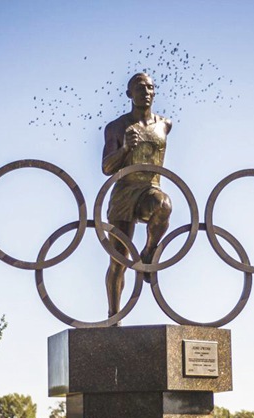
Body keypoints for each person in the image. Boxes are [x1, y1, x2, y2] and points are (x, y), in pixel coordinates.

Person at [102, 72, 173, 320]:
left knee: (164, 204)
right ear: (129, 94)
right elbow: (106, 168)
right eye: (140, 88)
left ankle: (149, 251)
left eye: (150, 87)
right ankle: (114, 314)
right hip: (123, 193)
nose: (146, 92)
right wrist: (124, 149)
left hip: (149, 190)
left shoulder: (165, 124)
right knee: (118, 261)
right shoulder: (116, 127)